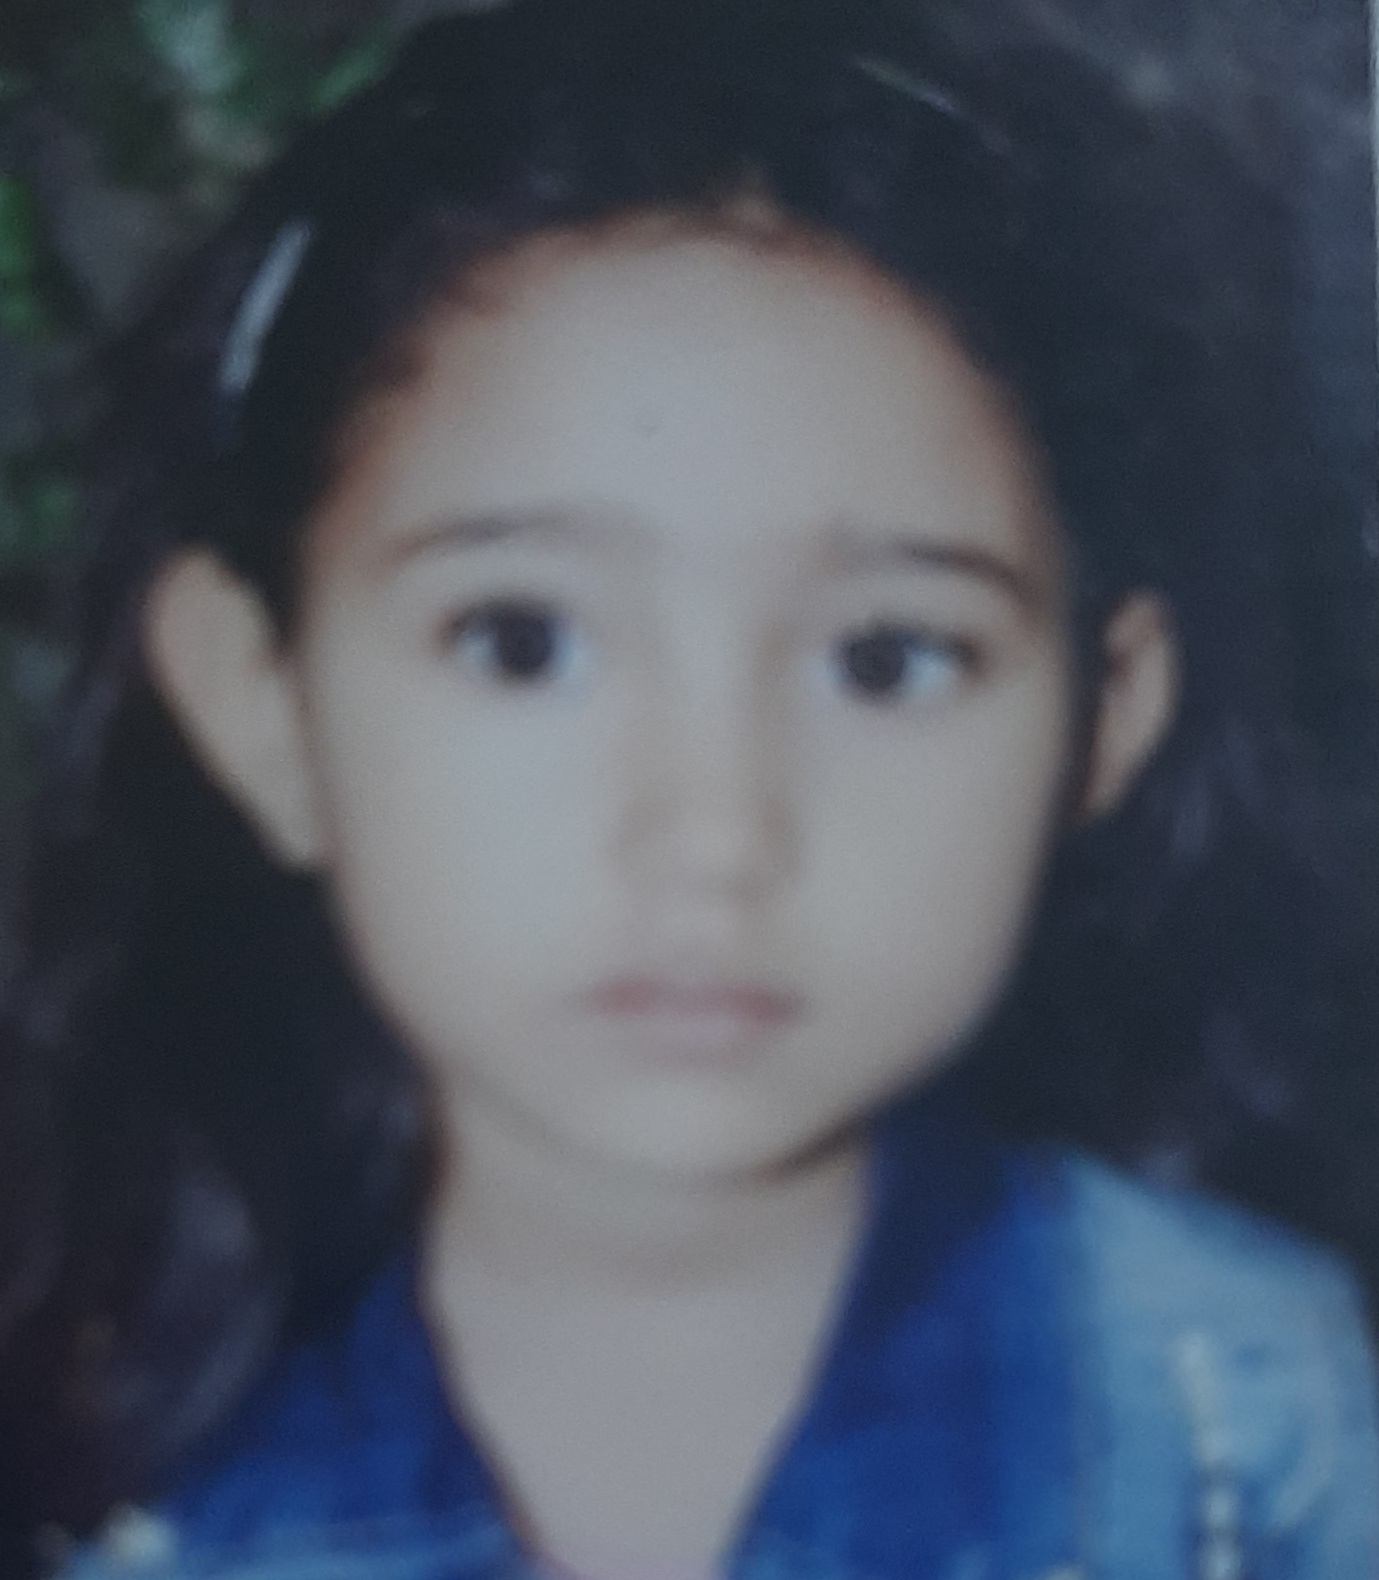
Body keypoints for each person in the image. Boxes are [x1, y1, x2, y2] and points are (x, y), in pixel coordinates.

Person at [1, 0, 1376, 1575]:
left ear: (1104, 721)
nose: (714, 833)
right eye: (522, 643)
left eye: (887, 662)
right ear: (264, 706)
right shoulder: (127, 1484)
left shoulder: (1247, 1428)